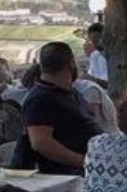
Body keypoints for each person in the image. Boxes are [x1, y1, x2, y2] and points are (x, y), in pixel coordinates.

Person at [12, 41, 102, 174]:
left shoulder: (67, 92)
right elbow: (41, 143)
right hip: (69, 174)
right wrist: (83, 161)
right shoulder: (40, 99)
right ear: (71, 63)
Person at [85, 22, 108, 86]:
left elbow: (110, 84)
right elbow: (92, 74)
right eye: (92, 39)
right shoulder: (94, 55)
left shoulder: (114, 56)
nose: (94, 41)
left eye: (97, 37)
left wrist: (94, 80)